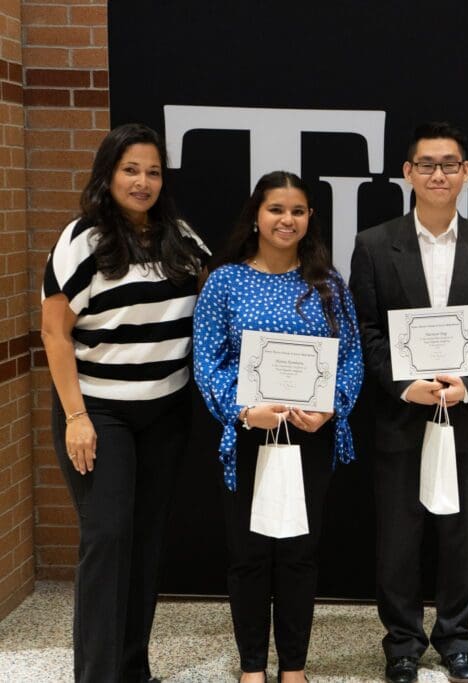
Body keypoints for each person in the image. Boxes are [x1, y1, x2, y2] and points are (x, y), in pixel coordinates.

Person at [349, 122, 468, 683]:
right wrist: (403, 385)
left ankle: (457, 638)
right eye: (427, 164)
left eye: (449, 164)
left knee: (462, 537)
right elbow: (366, 332)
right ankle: (401, 642)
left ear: (466, 173)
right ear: (408, 173)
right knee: (398, 538)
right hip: (401, 415)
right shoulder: (374, 244)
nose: (438, 174)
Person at [40, 123, 209, 683]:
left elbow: (219, 299)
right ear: (107, 174)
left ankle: (133, 670)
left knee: (144, 543)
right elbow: (54, 334)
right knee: (108, 540)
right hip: (100, 414)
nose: (143, 182)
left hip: (164, 413)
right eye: (130, 170)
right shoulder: (81, 241)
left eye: (153, 171)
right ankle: (97, 676)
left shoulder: (180, 237)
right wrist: (76, 417)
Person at [193, 171, 363, 683]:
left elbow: (350, 356)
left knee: (298, 552)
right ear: (256, 216)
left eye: (297, 211)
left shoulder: (328, 284)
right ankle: (251, 665)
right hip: (249, 434)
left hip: (311, 436)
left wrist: (331, 405)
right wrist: (243, 412)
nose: (286, 220)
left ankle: (293, 664)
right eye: (276, 210)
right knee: (247, 554)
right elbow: (207, 359)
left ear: (310, 218)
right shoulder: (224, 281)